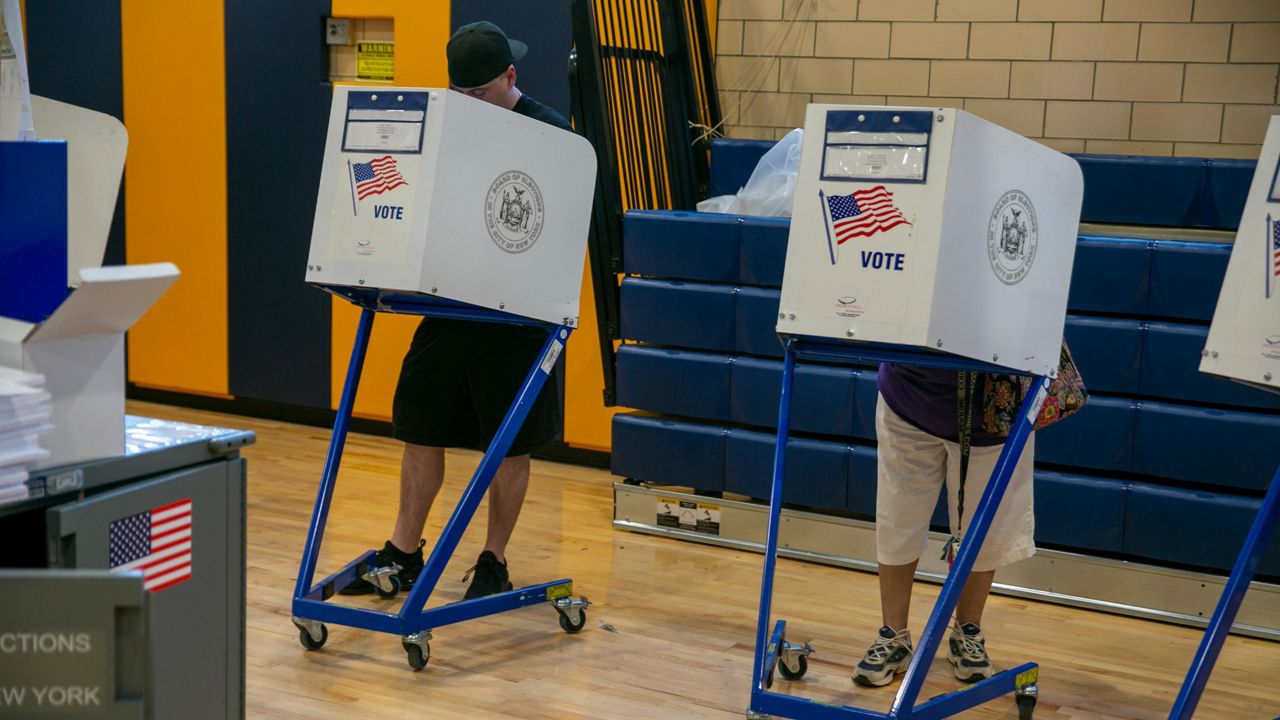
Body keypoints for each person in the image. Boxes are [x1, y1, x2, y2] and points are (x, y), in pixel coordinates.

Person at [342, 21, 573, 601]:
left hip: (517, 315)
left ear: (510, 77)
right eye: (462, 98)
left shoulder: (551, 133)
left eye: (483, 95)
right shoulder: (446, 128)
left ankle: (494, 560)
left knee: (508, 444)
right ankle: (404, 550)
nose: (472, 107)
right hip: (450, 304)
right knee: (421, 425)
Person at [852, 364, 1037, 687]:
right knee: (898, 519)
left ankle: (968, 631)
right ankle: (893, 635)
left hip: (993, 412)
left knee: (983, 530)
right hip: (908, 401)